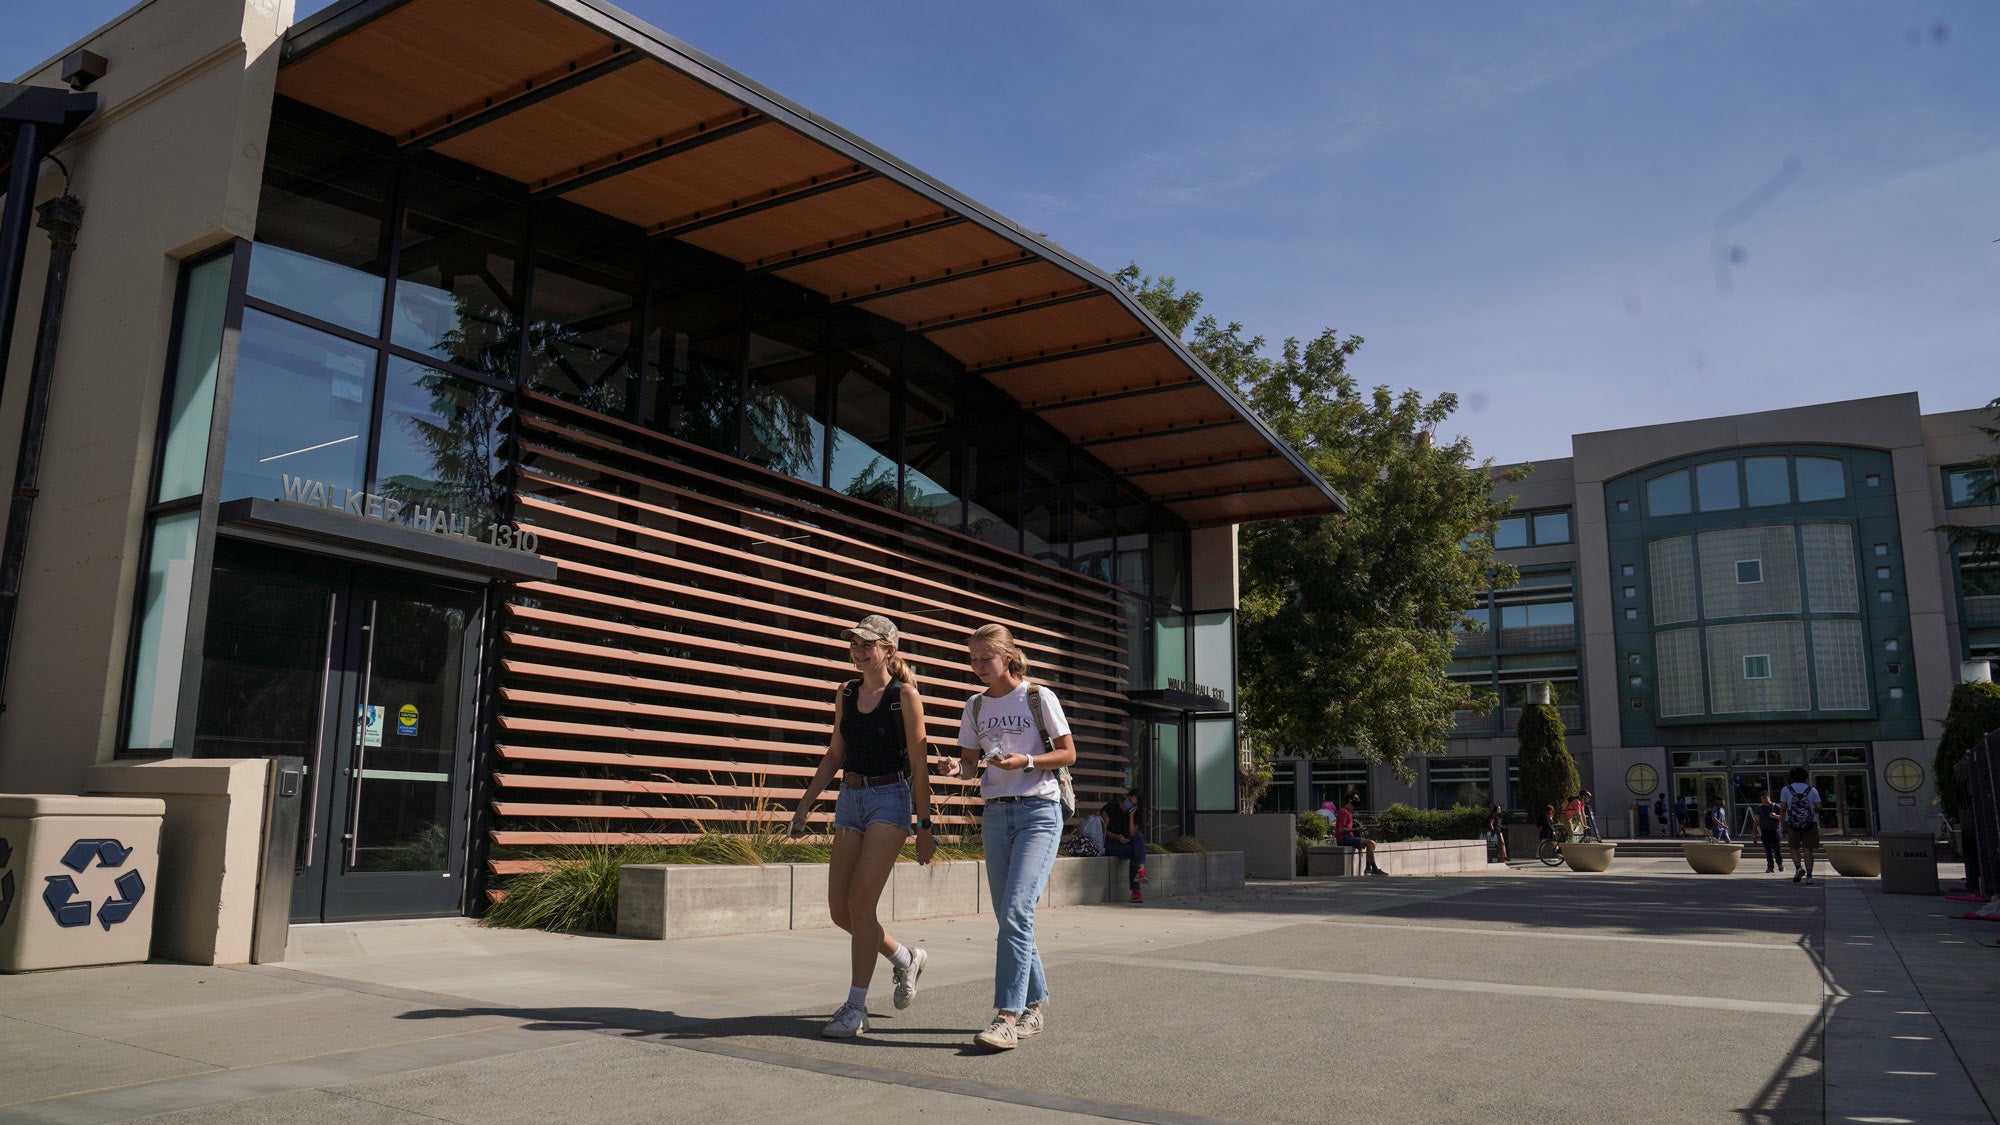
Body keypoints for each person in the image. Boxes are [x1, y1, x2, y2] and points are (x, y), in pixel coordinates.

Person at [788, 615, 937, 1039]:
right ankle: (905, 957)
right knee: (840, 911)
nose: (857, 650)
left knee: (860, 904)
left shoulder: (904, 696)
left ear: (888, 650)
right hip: (850, 800)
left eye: (866, 644)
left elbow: (921, 763)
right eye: (854, 643)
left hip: (890, 800)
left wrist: (924, 825)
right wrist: (805, 804)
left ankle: (856, 1008)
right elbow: (835, 753)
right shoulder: (847, 691)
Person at [957, 623, 1076, 1051]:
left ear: (1007, 657)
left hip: (1039, 812)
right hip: (996, 815)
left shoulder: (1037, 696)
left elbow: (1068, 752)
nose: (977, 666)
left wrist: (1026, 760)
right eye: (972, 659)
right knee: (1012, 917)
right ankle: (1036, 1008)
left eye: (984, 658)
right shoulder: (973, 707)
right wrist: (959, 770)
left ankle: (1007, 1016)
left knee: (1015, 912)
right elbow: (971, 764)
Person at [1777, 766, 1822, 884]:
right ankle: (1810, 876)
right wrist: (1809, 812)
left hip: (1792, 822)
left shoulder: (1786, 790)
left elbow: (1782, 809)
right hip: (1810, 823)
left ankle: (1798, 868)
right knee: (1808, 849)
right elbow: (1819, 807)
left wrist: (1783, 825)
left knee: (1794, 847)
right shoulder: (1812, 790)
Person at [1101, 788, 1148, 902]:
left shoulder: (1132, 813)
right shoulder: (1110, 808)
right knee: (1135, 853)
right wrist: (1117, 837)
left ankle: (1140, 871)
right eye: (1130, 800)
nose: (1130, 804)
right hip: (1109, 842)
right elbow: (1102, 832)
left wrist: (1131, 816)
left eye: (1133, 804)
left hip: (1124, 843)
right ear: (1126, 796)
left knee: (1139, 837)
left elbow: (1132, 835)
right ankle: (1136, 890)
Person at [1335, 792, 1387, 875]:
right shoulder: (1344, 812)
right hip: (1344, 839)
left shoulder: (1349, 811)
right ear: (1350, 800)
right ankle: (1374, 869)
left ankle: (1367, 868)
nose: (1358, 800)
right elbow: (1341, 829)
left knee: (1373, 843)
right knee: (1369, 843)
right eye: (1356, 799)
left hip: (1349, 838)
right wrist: (1356, 829)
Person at [1756, 793, 1785, 873]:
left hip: (1774, 831)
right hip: (1765, 831)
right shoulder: (1760, 808)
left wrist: (1775, 816)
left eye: (1765, 798)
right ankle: (1770, 867)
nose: (1764, 800)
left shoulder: (1776, 807)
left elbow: (1783, 818)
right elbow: (1757, 820)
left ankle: (1780, 864)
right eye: (1762, 799)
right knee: (1768, 850)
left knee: (1777, 849)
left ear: (1769, 797)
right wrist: (1754, 832)